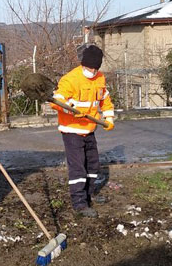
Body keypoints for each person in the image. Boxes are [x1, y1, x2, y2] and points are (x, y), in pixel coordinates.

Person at [50, 45, 114, 218]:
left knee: (93, 164)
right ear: (83, 64)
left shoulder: (100, 79)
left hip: (89, 128)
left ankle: (89, 194)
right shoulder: (70, 79)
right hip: (71, 130)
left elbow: (105, 100)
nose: (91, 71)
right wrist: (71, 109)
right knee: (78, 166)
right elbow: (57, 101)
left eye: (95, 68)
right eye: (88, 67)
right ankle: (79, 203)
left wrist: (109, 118)